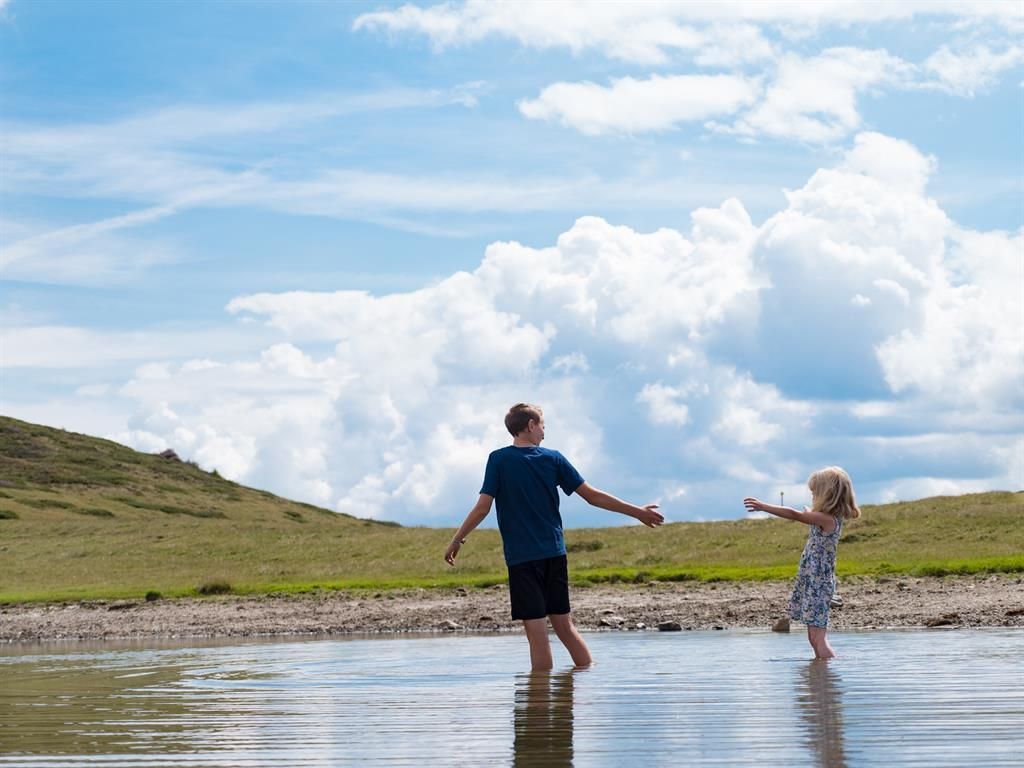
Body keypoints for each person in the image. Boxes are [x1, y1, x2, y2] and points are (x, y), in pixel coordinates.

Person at [445, 403, 664, 671]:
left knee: (536, 634)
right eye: (543, 426)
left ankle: (539, 696)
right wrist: (637, 512)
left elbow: (482, 508)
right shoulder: (554, 458)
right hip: (554, 554)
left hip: (523, 559)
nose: (544, 432)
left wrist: (457, 540)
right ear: (530, 425)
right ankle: (586, 679)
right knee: (565, 627)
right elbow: (592, 496)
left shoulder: (498, 459)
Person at [743, 466, 861, 659]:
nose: (812, 497)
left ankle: (827, 670)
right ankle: (819, 671)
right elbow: (807, 514)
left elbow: (795, 514)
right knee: (813, 638)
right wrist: (809, 512)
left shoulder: (826, 519)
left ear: (826, 495)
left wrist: (764, 507)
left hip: (818, 584)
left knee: (818, 638)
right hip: (813, 582)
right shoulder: (826, 518)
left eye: (815, 494)